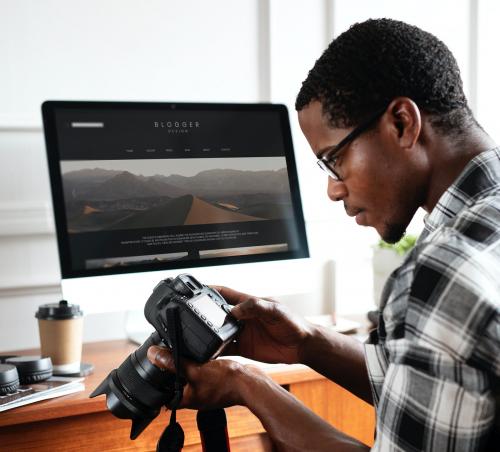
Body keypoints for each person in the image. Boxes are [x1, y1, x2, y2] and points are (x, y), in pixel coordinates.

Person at [148, 18, 500, 451]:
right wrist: (307, 343)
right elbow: (431, 393)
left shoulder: (441, 270)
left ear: (403, 123)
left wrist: (248, 385)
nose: (333, 190)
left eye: (334, 159)